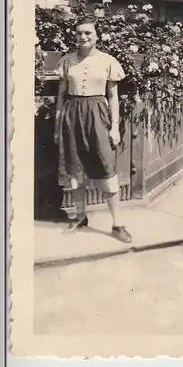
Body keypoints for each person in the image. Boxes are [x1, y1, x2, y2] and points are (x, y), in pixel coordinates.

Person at [53, 16, 132, 243]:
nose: (83, 37)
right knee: (75, 166)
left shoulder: (108, 61)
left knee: (105, 165)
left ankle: (117, 224)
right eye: (79, 33)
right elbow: (61, 96)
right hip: (72, 115)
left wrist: (114, 127)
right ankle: (80, 216)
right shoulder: (66, 61)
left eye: (88, 32)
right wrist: (58, 126)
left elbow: (113, 96)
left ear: (97, 36)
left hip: (98, 115)